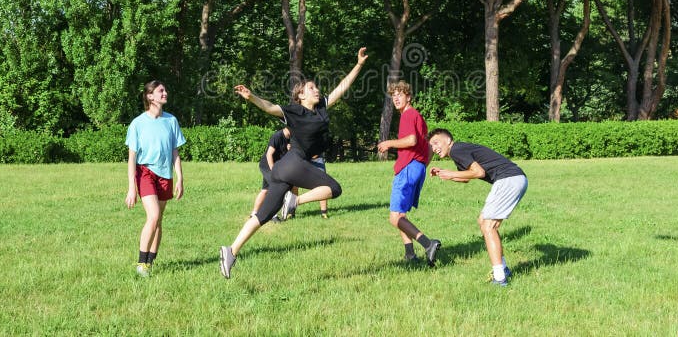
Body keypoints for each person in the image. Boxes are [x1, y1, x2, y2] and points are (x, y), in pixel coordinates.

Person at [219, 47, 368, 278]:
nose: (316, 90)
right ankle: (295, 200)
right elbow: (270, 107)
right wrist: (251, 97)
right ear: (300, 95)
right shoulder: (294, 110)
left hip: (284, 169)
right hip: (294, 163)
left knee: (263, 215)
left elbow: (342, 87)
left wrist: (358, 65)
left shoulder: (320, 109)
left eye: (316, 87)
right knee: (334, 189)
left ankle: (231, 251)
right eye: (311, 88)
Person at [427, 128, 527, 287]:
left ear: (447, 140)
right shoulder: (458, 151)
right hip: (512, 178)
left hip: (508, 179)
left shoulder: (457, 150)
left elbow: (478, 172)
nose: (434, 148)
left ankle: (500, 277)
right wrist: (444, 173)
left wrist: (451, 174)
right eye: (431, 146)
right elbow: (466, 177)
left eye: (436, 142)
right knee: (484, 221)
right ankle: (503, 268)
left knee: (488, 226)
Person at [124, 80, 186, 277]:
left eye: (165, 90)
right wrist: (132, 188)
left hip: (165, 175)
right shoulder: (138, 123)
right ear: (150, 96)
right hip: (145, 173)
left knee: (159, 221)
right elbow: (131, 158)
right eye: (161, 91)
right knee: (153, 216)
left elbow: (175, 151)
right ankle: (141, 263)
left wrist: (180, 178)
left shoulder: (171, 121)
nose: (165, 93)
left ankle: (150, 263)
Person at [377, 81, 440, 266]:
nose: (396, 98)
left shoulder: (408, 115)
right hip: (417, 168)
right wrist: (421, 166)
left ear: (408, 97)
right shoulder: (418, 117)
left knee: (394, 217)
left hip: (408, 168)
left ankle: (428, 244)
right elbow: (428, 147)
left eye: (400, 94)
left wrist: (389, 143)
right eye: (393, 95)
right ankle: (410, 254)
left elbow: (411, 140)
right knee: (401, 214)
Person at [251, 127, 292, 219]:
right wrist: (273, 170)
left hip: (276, 166)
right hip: (267, 165)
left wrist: (290, 150)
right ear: (288, 126)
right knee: (275, 188)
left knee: (265, 190)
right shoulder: (277, 136)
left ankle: (254, 213)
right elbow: (269, 154)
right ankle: (273, 214)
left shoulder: (291, 138)